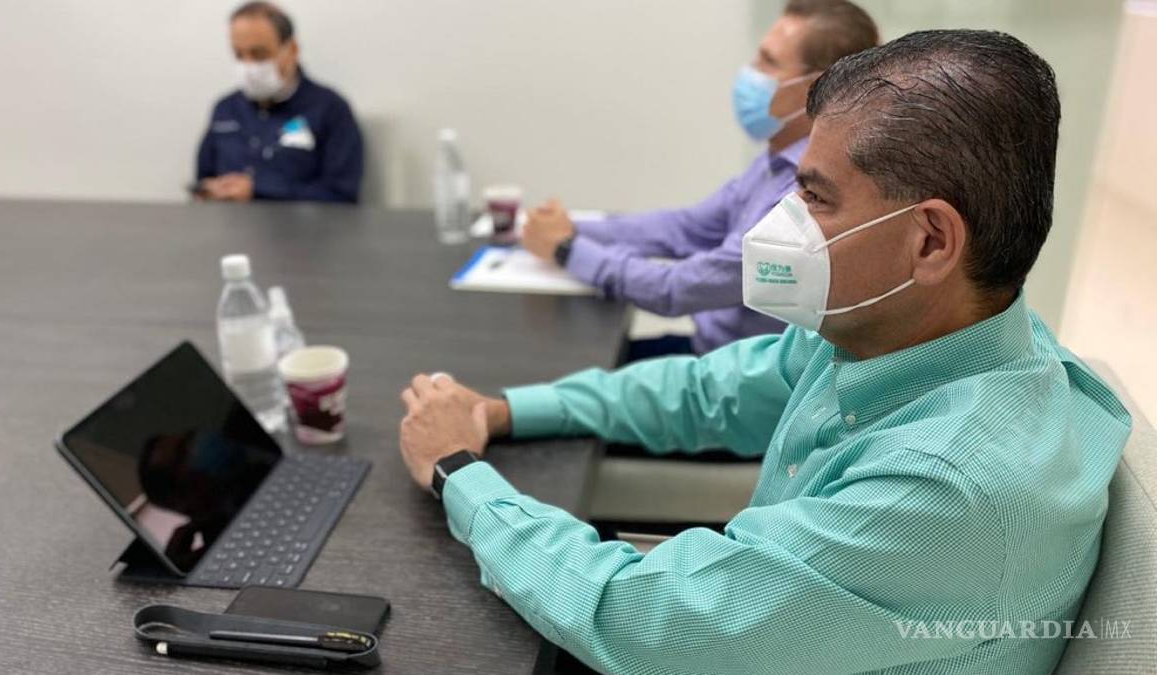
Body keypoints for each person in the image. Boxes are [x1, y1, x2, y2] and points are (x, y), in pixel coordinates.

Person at [397, 29, 1133, 674]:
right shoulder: (912, 331)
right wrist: (504, 410)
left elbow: (634, 621)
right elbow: (711, 391)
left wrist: (458, 471)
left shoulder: (944, 492)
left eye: (815, 196)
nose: (781, 221)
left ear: (931, 241)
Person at [520, 0, 878, 360]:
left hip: (730, 379)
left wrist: (567, 248)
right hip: (711, 356)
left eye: (768, 62)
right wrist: (568, 227)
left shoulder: (802, 194)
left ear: (815, 87)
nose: (750, 73)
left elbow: (675, 290)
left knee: (556, 371)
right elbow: (684, 228)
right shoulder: (775, 162)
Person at [194, 2, 364, 204]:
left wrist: (258, 191)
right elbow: (202, 181)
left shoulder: (330, 109)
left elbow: (342, 195)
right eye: (239, 55)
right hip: (227, 222)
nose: (248, 66)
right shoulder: (225, 108)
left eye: (259, 54)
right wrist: (208, 190)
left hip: (299, 224)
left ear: (291, 50)